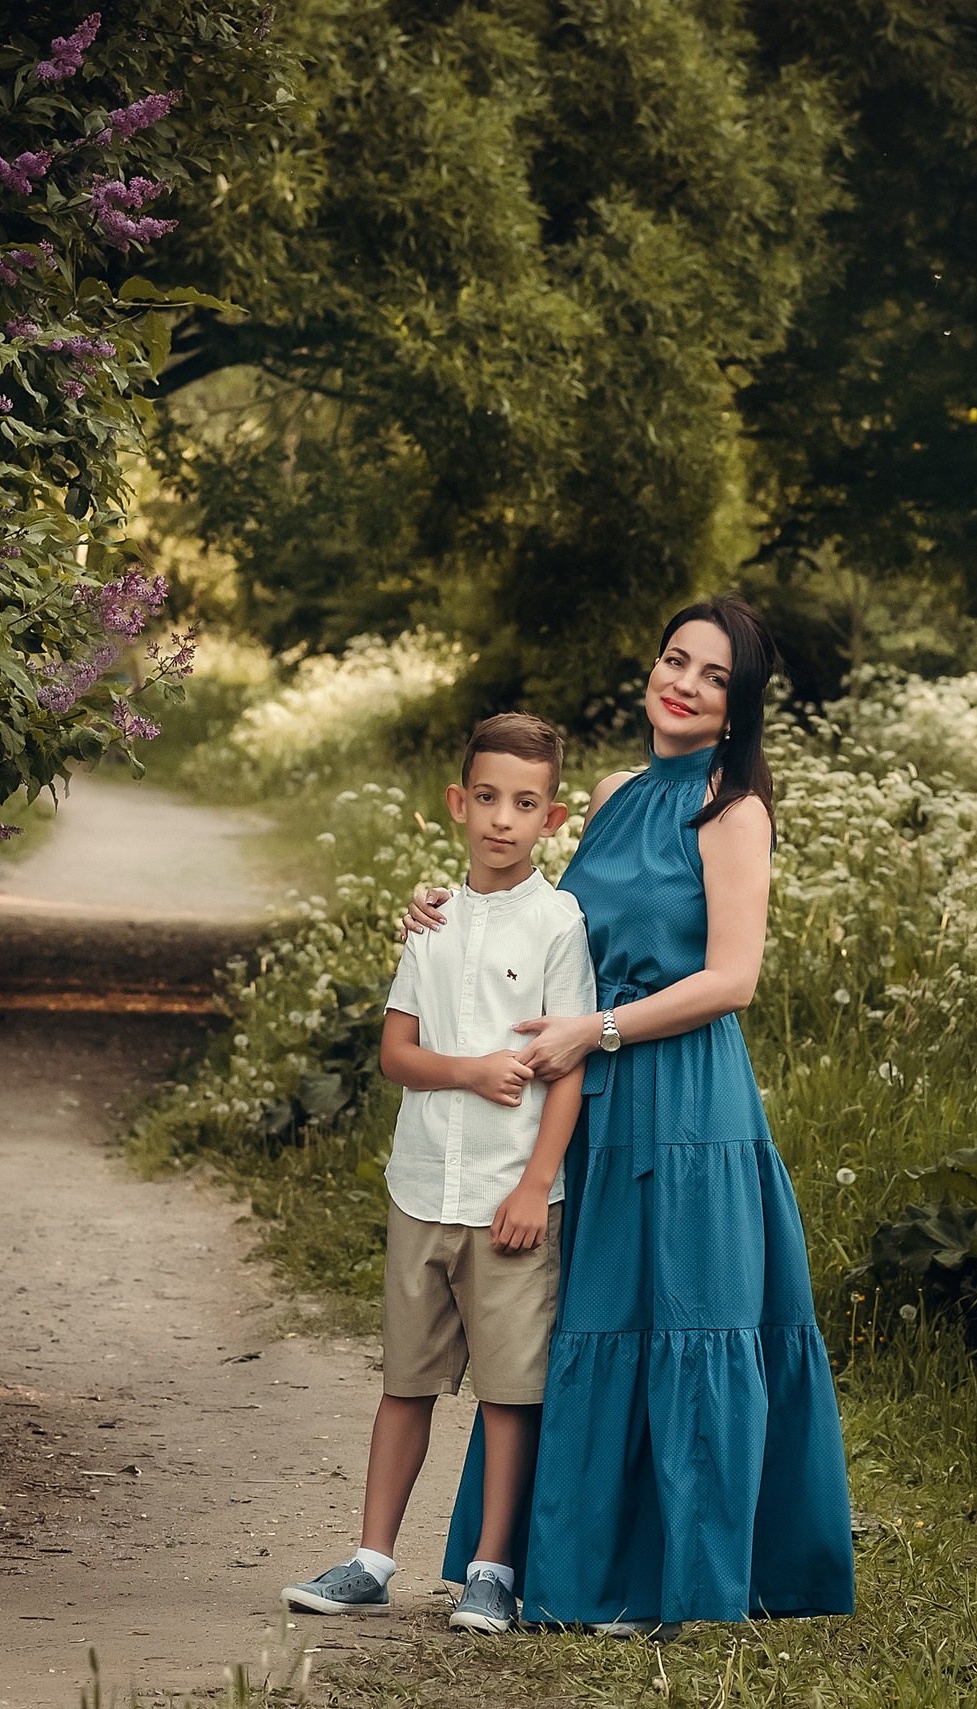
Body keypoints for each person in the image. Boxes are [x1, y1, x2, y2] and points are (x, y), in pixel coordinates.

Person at [410, 596, 856, 1636]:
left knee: (687, 1312)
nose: (684, 683)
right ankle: (566, 1563)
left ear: (737, 704)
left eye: (711, 675)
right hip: (593, 1096)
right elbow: (551, 930)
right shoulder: (611, 793)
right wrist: (445, 909)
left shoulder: (729, 808)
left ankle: (682, 1578)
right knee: (589, 1314)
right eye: (674, 659)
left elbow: (732, 979)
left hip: (686, 1094)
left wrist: (596, 1031)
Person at [283, 713, 596, 1637]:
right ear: (459, 805)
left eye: (526, 803)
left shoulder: (558, 922)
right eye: (488, 798)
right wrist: (466, 1069)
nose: (504, 818)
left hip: (509, 1197)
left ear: (554, 817)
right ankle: (372, 1559)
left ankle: (491, 1569)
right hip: (421, 1185)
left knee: (509, 1392)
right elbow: (395, 1052)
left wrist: (537, 1182)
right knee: (405, 1381)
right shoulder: (432, 919)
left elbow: (568, 1068)